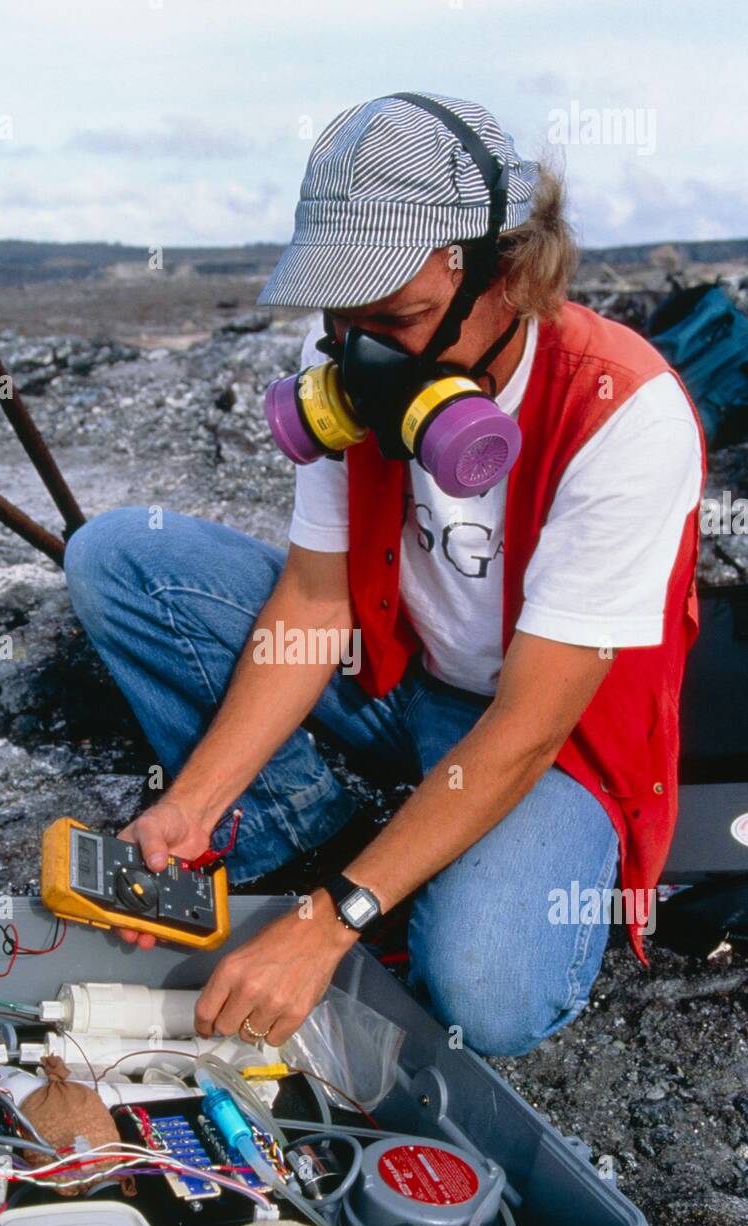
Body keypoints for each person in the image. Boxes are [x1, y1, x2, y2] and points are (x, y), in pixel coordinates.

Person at [63, 92, 704, 1056]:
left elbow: (530, 724)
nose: (365, 355)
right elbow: (316, 602)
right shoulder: (357, 356)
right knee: (117, 557)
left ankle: (390, 868)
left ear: (512, 276)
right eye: (344, 316)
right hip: (394, 672)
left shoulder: (625, 414)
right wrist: (191, 804)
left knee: (485, 996)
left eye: (398, 317)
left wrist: (330, 922)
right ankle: (298, 823)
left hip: (541, 734)